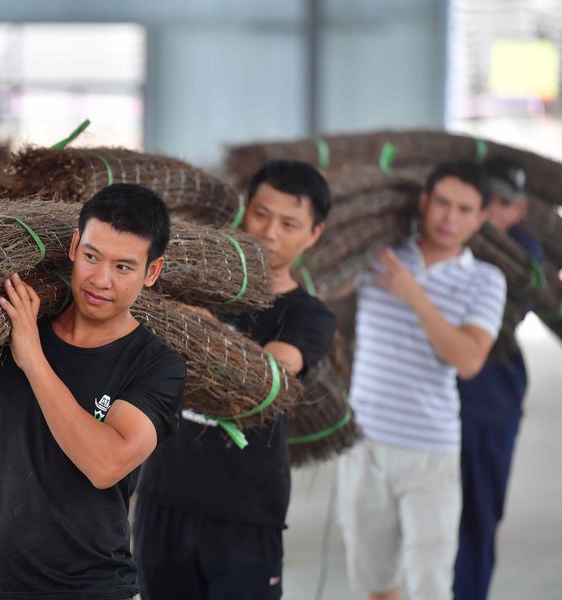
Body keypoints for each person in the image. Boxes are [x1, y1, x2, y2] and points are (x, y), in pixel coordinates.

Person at [0, 183, 186, 600]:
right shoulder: (17, 323)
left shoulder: (157, 365)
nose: (101, 280)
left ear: (152, 272)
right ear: (73, 246)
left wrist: (33, 359)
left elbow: (105, 464)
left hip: (90, 590)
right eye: (91, 256)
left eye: (123, 267)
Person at [133, 159, 337, 600]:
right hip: (162, 496)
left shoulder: (308, 316)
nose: (269, 232)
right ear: (245, 210)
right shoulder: (197, 286)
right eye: (261, 214)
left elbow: (265, 377)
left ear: (314, 234)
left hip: (246, 512)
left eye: (289, 223)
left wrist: (196, 326)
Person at [336, 159, 507, 600]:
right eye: (443, 203)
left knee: (430, 585)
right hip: (364, 444)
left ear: (481, 217)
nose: (450, 218)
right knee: (374, 584)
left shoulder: (485, 280)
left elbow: (468, 359)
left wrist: (413, 294)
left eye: (464, 210)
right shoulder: (378, 258)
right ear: (425, 201)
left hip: (430, 450)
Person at [454, 157, 543, 600]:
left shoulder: (523, 258)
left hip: (491, 400)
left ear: (520, 211)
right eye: (485, 201)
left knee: (478, 514)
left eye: (504, 204)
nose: (491, 214)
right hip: (436, 403)